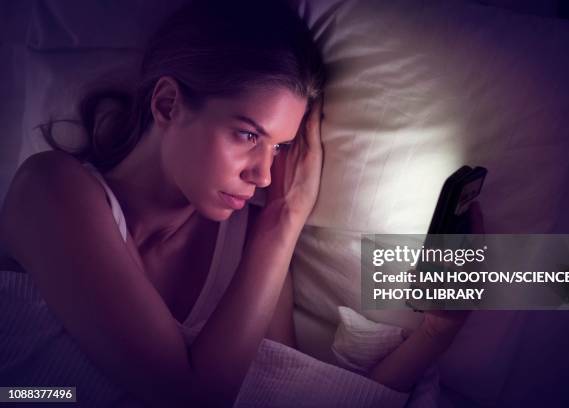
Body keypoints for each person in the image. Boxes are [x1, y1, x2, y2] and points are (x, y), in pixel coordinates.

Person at [0, 1, 480, 406]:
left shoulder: (242, 244)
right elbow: (189, 398)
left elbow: (282, 393)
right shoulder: (51, 188)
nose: (264, 174)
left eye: (279, 147)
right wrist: (283, 220)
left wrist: (436, 335)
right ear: (167, 105)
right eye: (248, 134)